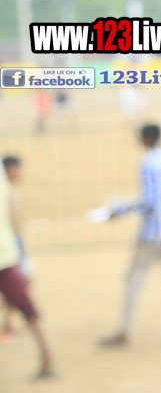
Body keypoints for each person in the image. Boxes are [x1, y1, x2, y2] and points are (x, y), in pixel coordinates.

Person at [98, 124, 161, 347]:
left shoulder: (148, 163)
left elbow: (148, 201)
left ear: (146, 139)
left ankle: (125, 330)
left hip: (151, 234)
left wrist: (119, 210)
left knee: (133, 281)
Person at [0, 155, 54, 378]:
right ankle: (47, 356)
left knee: (23, 301)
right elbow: (14, 226)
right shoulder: (8, 188)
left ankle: (47, 356)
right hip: (7, 255)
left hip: (7, 256)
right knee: (26, 305)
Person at [1, 156, 33, 344]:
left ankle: (8, 323)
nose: (21, 173)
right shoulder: (6, 192)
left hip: (12, 244)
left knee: (21, 284)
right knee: (21, 283)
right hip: (11, 245)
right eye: (18, 169)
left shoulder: (9, 190)